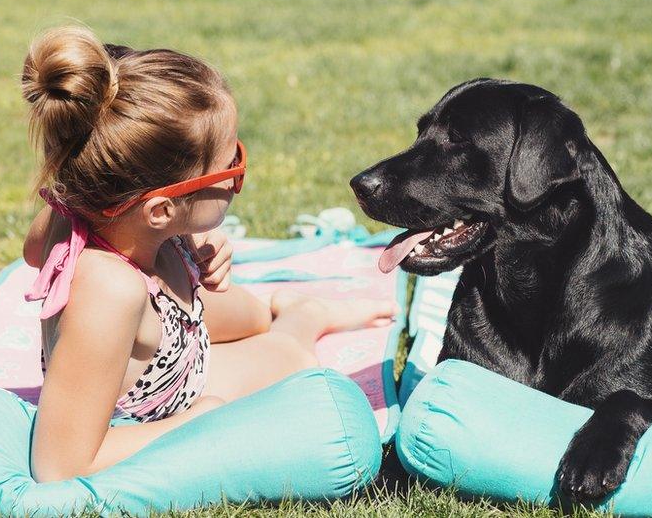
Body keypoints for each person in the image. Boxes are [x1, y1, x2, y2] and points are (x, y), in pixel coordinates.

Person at [20, 26, 395, 482]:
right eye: (229, 165)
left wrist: (188, 238)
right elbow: (60, 467)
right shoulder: (108, 291)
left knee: (255, 317)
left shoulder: (100, 213)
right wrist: (196, 423)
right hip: (175, 387)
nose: (238, 170)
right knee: (287, 352)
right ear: (160, 208)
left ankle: (282, 306)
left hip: (171, 319)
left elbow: (38, 241)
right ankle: (308, 315)